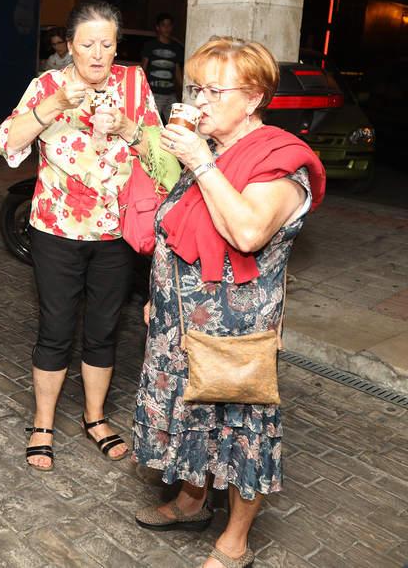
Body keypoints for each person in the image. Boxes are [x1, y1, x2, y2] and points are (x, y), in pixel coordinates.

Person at [132, 37, 326, 568]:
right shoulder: (214, 150)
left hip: (234, 328)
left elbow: (244, 233)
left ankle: (235, 541)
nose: (201, 99)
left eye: (215, 90)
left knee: (241, 431)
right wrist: (160, 299)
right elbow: (179, 231)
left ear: (255, 96)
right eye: (197, 87)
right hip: (181, 321)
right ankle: (192, 501)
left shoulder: (281, 162)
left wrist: (198, 161)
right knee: (191, 417)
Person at [0, 0, 180, 472]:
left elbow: (166, 162)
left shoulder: (134, 84)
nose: (98, 54)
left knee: (104, 328)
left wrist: (129, 129)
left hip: (118, 232)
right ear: (70, 46)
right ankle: (42, 422)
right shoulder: (48, 85)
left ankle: (95, 418)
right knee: (55, 330)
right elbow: (6, 143)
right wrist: (50, 108)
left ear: (117, 46)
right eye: (87, 44)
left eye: (107, 44)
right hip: (56, 229)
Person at [141, 13, 184, 123]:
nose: (167, 28)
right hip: (154, 94)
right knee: (151, 124)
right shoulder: (150, 46)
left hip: (170, 94)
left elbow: (178, 72)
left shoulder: (176, 48)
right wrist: (143, 90)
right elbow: (143, 69)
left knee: (176, 124)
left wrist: (183, 91)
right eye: (164, 25)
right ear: (158, 28)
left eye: (169, 25)